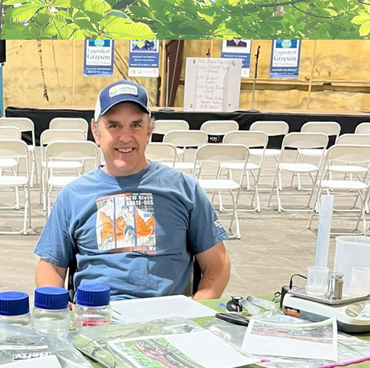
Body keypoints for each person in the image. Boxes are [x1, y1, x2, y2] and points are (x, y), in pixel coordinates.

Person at [34, 80, 231, 300]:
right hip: (96, 314)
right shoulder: (73, 196)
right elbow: (50, 266)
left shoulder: (185, 190)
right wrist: (58, 305)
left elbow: (217, 263)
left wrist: (197, 308)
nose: (125, 137)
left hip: (166, 316)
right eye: (114, 126)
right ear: (96, 132)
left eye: (136, 125)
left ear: (149, 131)